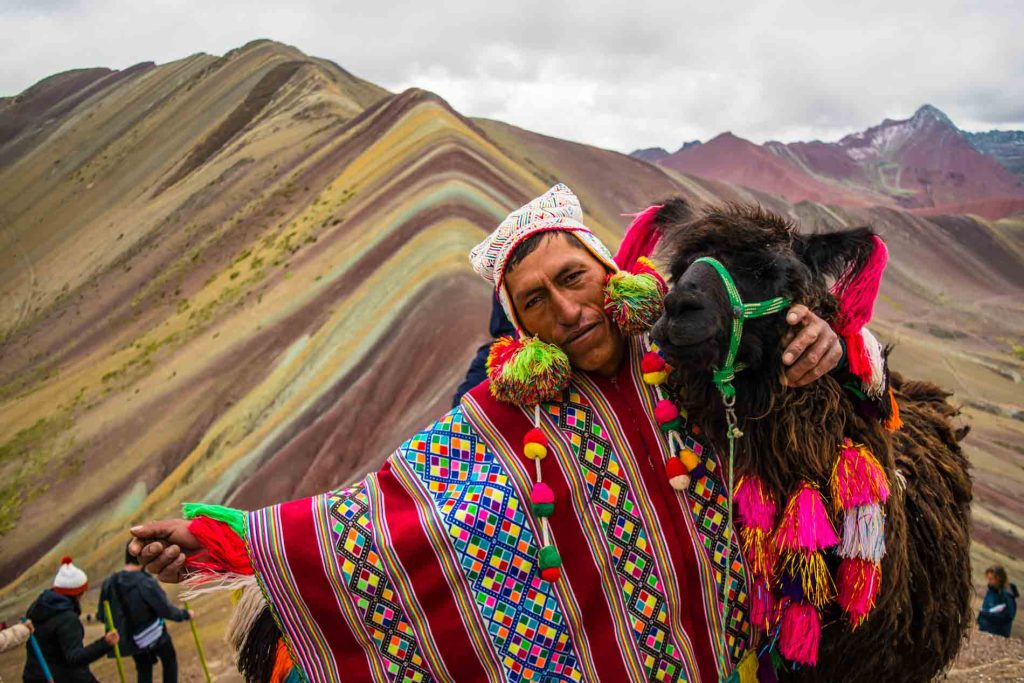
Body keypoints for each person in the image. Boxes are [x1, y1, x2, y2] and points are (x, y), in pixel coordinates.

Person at [128, 185, 871, 682]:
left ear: (610, 271)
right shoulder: (505, 418)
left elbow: (817, 383)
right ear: (521, 326)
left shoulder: (691, 353)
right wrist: (223, 538)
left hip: (739, 655)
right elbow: (380, 517)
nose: (567, 309)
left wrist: (826, 345)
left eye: (574, 278)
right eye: (535, 301)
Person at [96, 544, 194, 683]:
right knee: (169, 661)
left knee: (144, 669)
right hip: (155, 635)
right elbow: (165, 610)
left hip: (131, 642)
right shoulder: (145, 582)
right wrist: (185, 614)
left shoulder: (109, 583)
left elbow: (101, 615)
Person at [23, 556, 119, 683]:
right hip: (58, 677)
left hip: (34, 676)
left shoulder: (38, 608)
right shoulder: (67, 619)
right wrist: (105, 643)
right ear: (77, 593)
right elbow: (74, 659)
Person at [978, 565, 1017, 637]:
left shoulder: (1007, 595)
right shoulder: (991, 591)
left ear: (999, 579)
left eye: (991, 579)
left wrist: (986, 614)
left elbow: (1008, 616)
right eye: (988, 578)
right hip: (984, 631)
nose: (989, 581)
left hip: (998, 634)